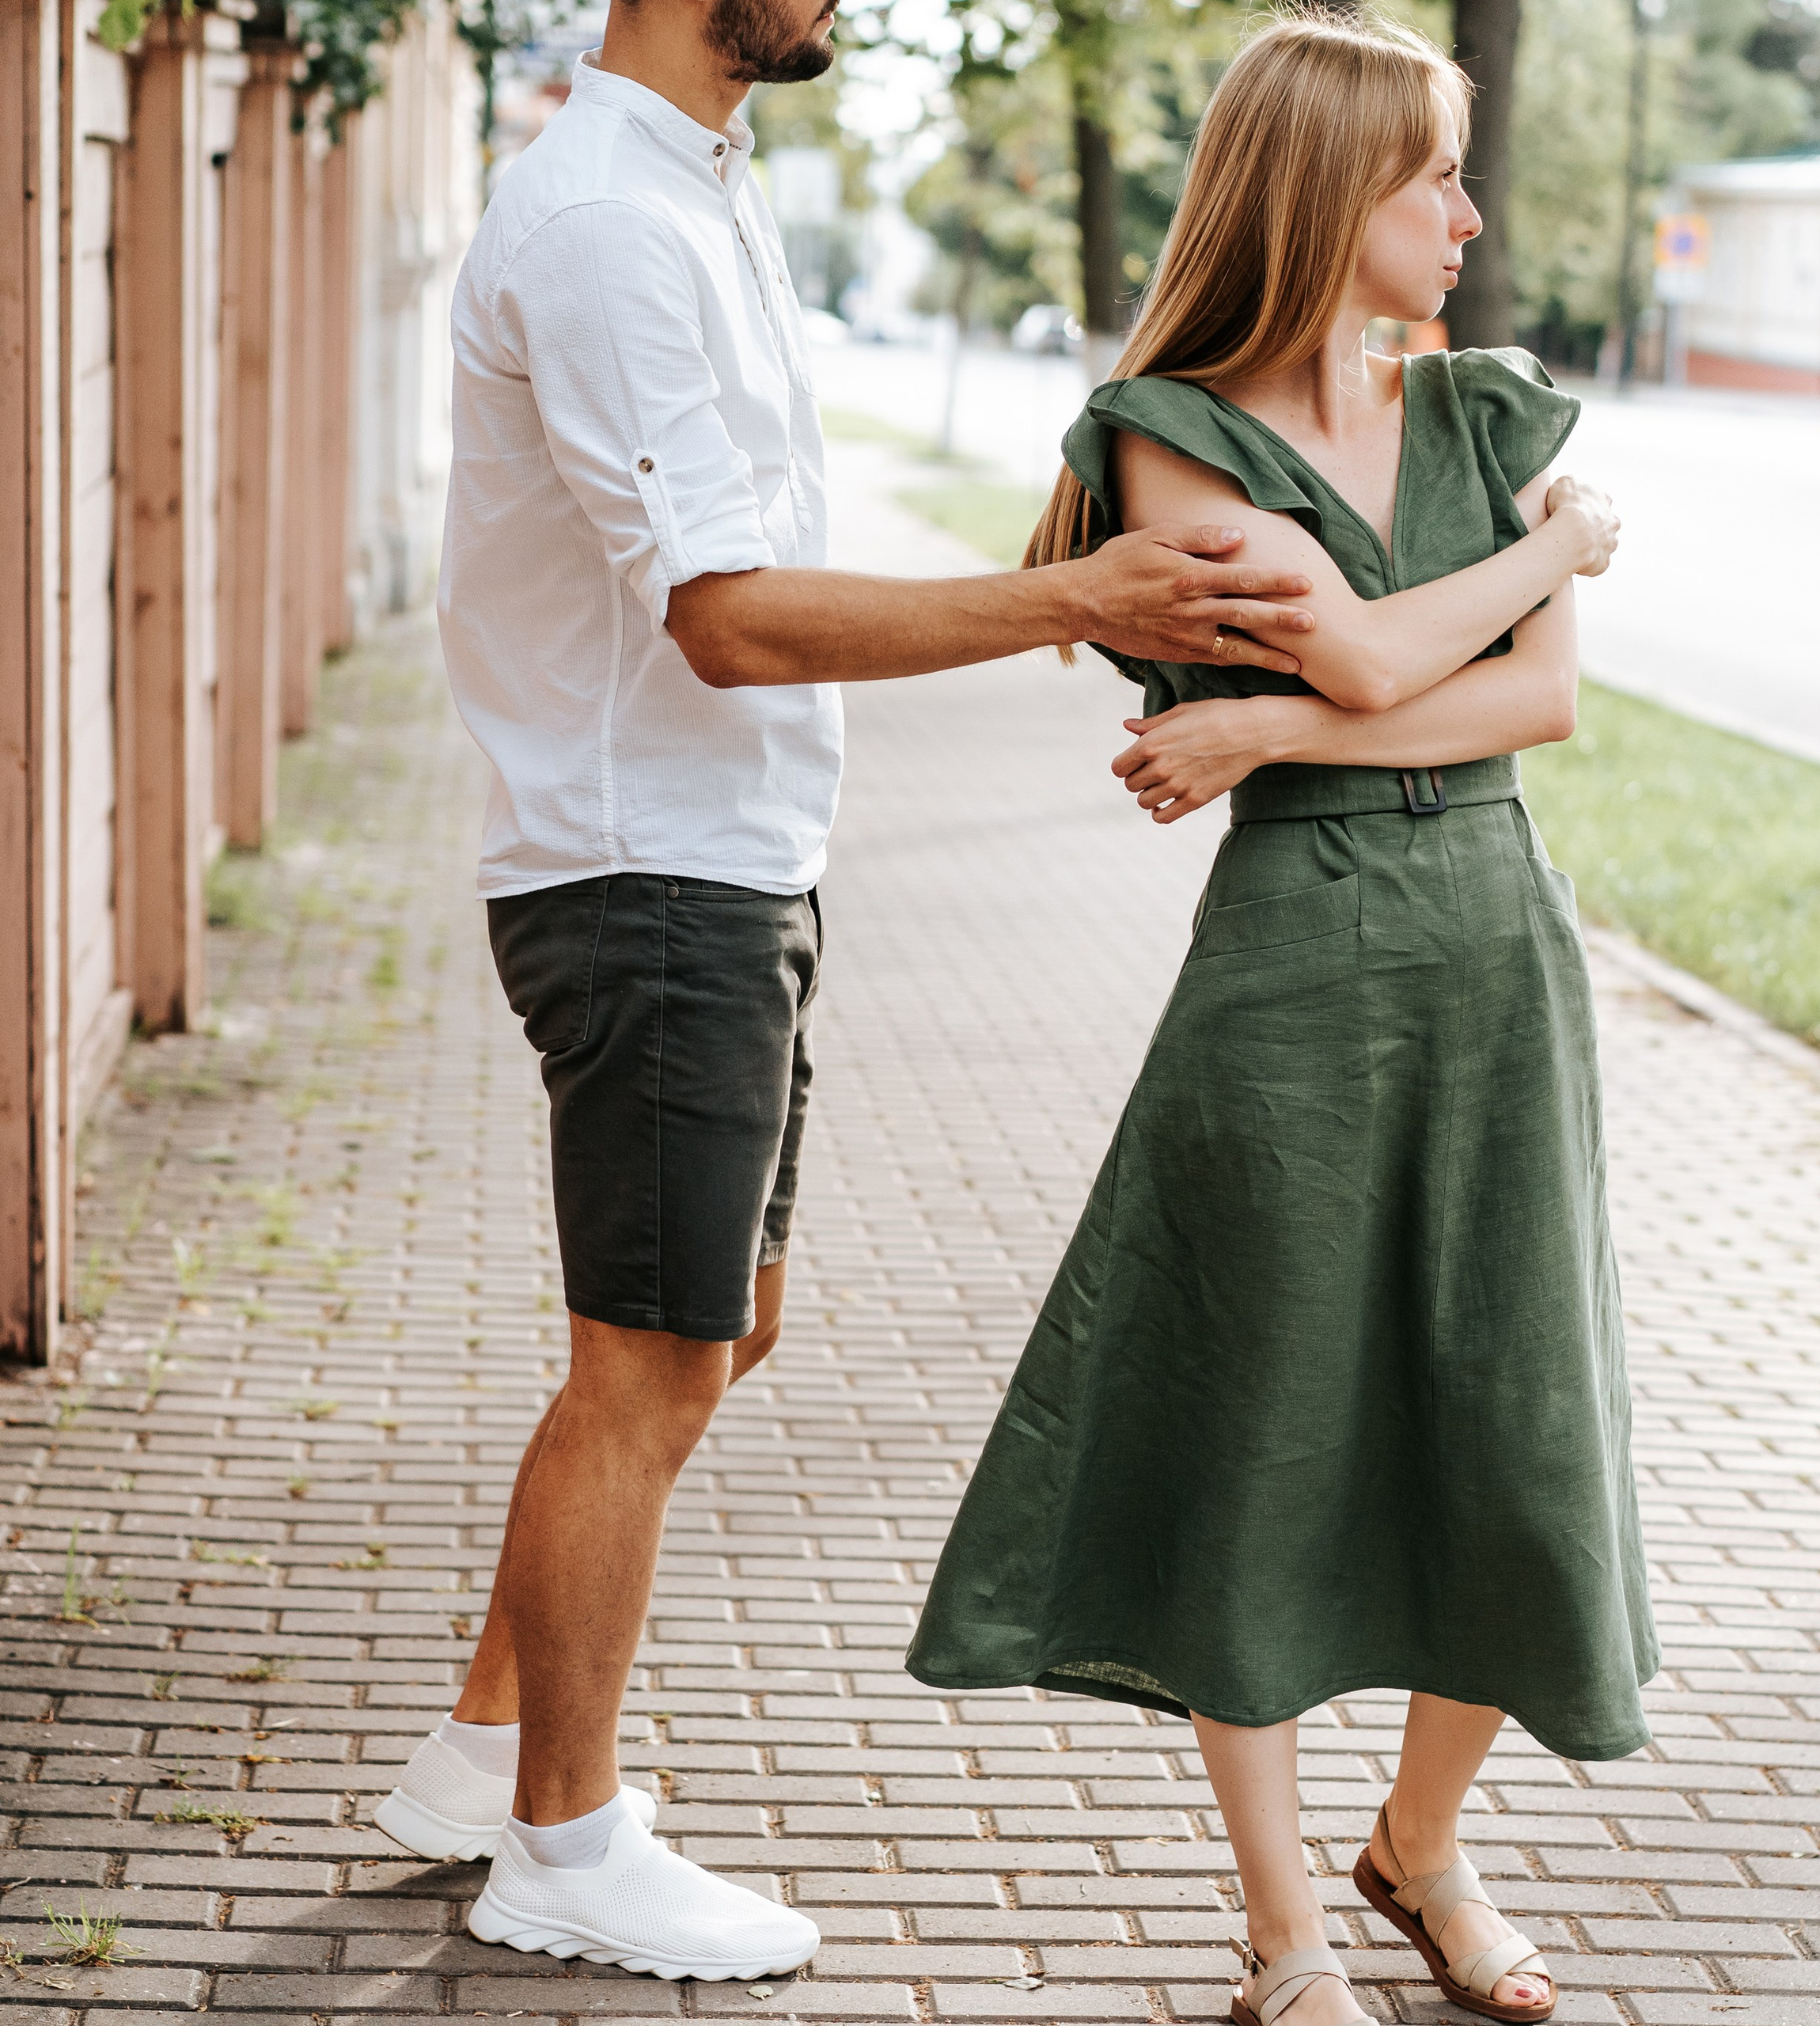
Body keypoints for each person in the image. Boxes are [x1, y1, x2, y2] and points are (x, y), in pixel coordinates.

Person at [370, 0, 1328, 1984]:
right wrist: (1077, 601)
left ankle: (481, 1758)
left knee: (713, 1330)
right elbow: (722, 620)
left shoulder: (703, 188)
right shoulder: (610, 229)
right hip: (646, 869)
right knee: (645, 1358)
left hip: (734, 861)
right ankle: (562, 1839)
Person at [904, 13, 1659, 2025]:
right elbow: (1384, 637)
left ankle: (1419, 1845)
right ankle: (1284, 1933)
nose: (1465, 214)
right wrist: (1540, 559)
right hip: (1294, 967)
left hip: (1494, 943)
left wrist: (1269, 722)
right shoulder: (1168, 428)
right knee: (1261, 1423)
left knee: (1503, 1414)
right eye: (1433, 175)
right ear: (1331, 189)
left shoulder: (1488, 406)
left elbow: (1532, 704)